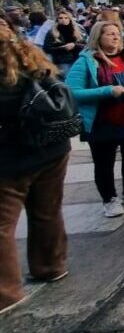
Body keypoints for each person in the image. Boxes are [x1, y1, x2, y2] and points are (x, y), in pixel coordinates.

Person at [0, 26, 72, 314]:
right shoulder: (35, 61)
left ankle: (6, 292)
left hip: (11, 160)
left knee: (2, 226)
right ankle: (51, 266)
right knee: (47, 211)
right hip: (53, 150)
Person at [66, 21, 124, 218]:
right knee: (104, 162)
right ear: (98, 38)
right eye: (110, 34)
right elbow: (72, 91)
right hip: (102, 122)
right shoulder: (86, 61)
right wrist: (107, 91)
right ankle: (109, 199)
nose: (115, 37)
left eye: (117, 34)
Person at [43, 9, 86, 77]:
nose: (63, 20)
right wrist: (62, 48)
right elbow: (46, 48)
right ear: (57, 19)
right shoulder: (52, 32)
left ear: (70, 19)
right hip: (62, 61)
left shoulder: (76, 30)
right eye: (61, 18)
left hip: (77, 60)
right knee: (67, 80)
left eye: (66, 18)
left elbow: (85, 45)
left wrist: (75, 45)